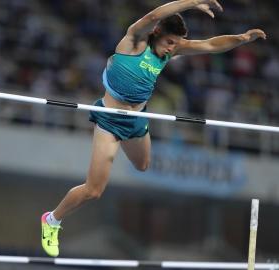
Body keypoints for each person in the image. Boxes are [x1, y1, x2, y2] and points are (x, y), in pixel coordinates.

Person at [41, 0, 266, 257]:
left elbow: (211, 45)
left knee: (143, 165)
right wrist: (192, 3)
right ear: (157, 32)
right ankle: (52, 219)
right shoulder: (134, 41)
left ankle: (117, 145)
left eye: (176, 44)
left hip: (137, 119)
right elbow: (156, 13)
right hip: (109, 119)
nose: (172, 49)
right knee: (94, 190)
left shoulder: (171, 49)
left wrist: (241, 38)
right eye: (170, 42)